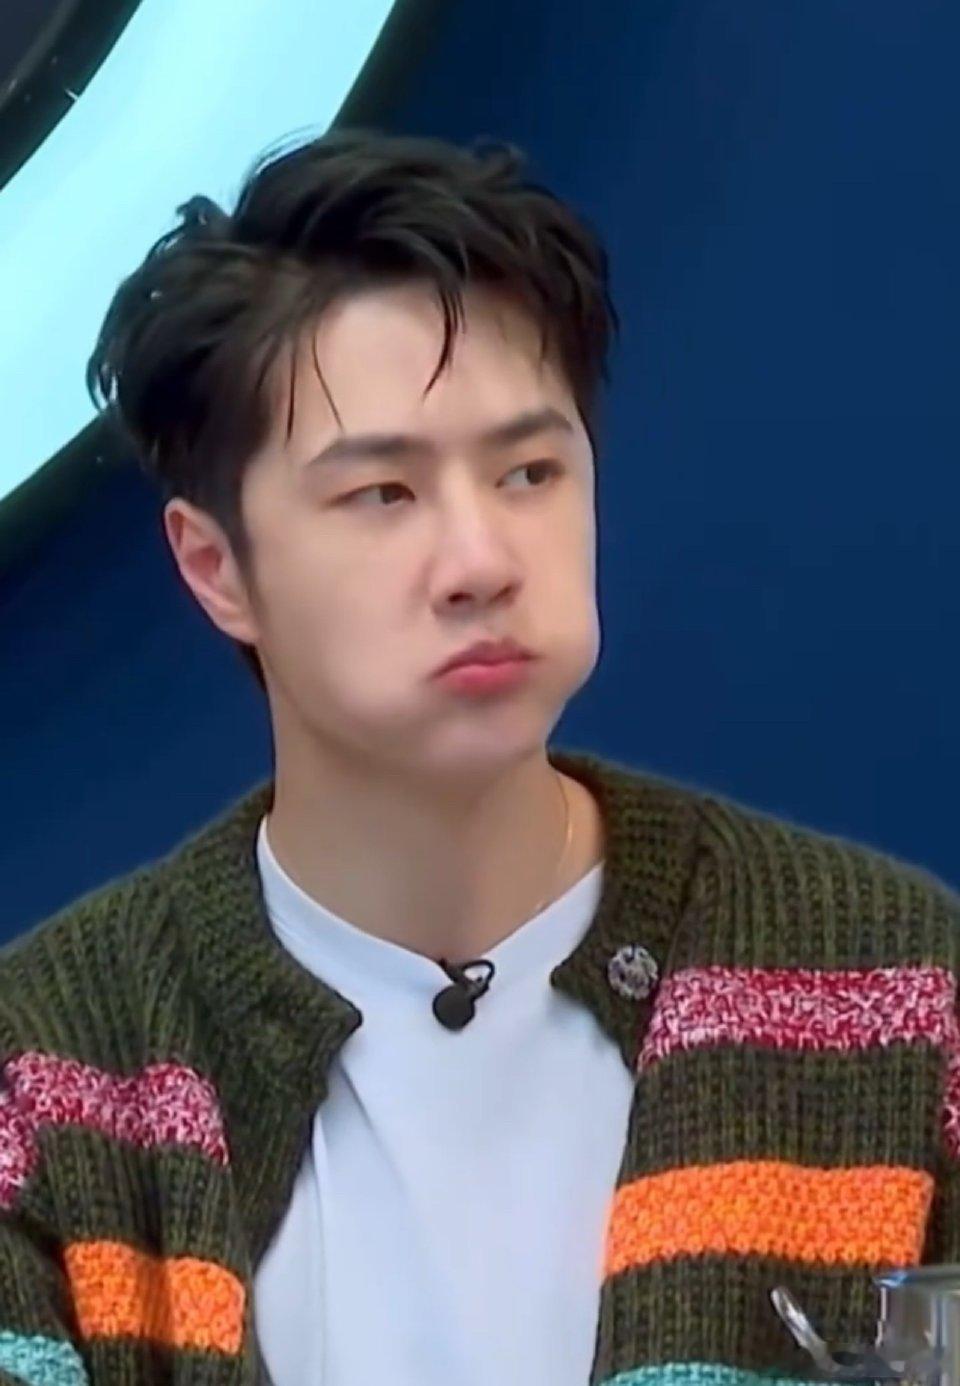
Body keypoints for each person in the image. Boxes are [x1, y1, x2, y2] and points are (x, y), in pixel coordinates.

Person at [1, 127, 958, 1386]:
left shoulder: (899, 992)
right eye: (384, 494)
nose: (481, 561)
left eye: (528, 472)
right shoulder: (47, 1077)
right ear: (216, 567)